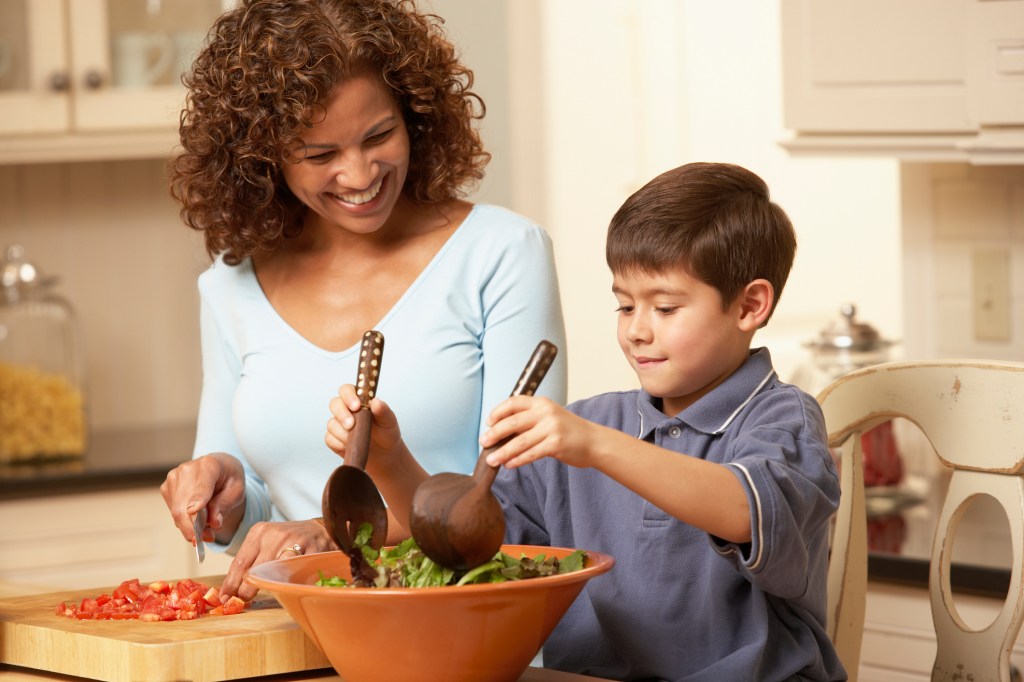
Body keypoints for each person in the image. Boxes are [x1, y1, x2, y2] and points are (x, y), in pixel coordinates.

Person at [326, 162, 846, 681]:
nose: (637, 331)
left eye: (665, 308)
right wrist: (390, 461)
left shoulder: (782, 417)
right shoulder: (591, 424)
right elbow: (466, 531)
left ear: (749, 305)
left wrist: (597, 447)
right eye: (624, 306)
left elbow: (743, 510)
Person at [160, 0, 567, 603]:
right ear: (262, 158)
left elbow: (521, 505)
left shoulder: (501, 253)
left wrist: (333, 535)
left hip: (465, 628)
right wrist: (224, 498)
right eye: (321, 155)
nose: (359, 174)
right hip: (294, 634)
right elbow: (253, 518)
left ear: (415, 115)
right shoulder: (230, 283)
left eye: (379, 135)